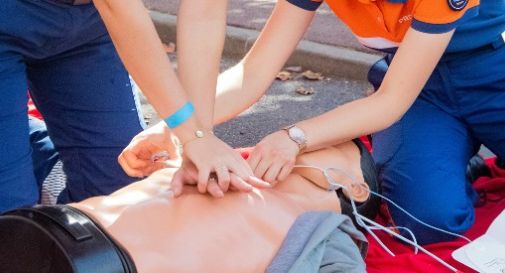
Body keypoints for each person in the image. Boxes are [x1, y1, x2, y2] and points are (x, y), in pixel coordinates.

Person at [121, 0, 505, 244]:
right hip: (421, 91)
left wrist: (295, 137)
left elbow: (390, 103)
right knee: (431, 223)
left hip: (493, 71)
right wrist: (179, 129)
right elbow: (253, 73)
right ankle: (460, 164)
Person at [0, 0, 264, 213]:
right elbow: (117, 5)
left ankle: (28, 147)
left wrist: (199, 136)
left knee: (115, 196)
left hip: (87, 25)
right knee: (12, 217)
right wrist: (191, 134)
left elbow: (204, 13)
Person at [0, 139, 374, 273]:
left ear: (355, 188)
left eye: (314, 149)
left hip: (98, 257)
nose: (279, 147)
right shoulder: (211, 164)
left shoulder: (330, 241)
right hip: (44, 230)